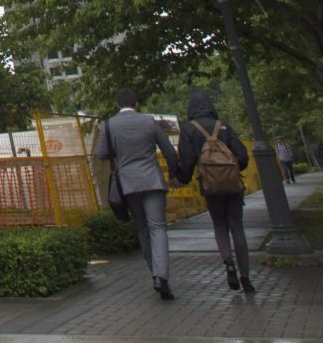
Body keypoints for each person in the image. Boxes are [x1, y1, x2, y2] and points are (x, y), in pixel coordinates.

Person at [97, 89, 182, 299]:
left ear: (117, 104)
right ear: (137, 103)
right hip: (152, 180)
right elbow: (169, 151)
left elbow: (102, 153)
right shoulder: (149, 122)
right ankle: (162, 276)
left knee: (142, 227)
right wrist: (173, 175)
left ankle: (154, 272)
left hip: (128, 184)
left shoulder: (108, 125)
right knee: (158, 227)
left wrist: (120, 152)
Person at [177, 91, 254, 294]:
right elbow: (243, 156)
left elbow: (186, 161)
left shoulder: (188, 130)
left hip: (210, 186)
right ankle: (246, 277)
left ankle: (228, 263)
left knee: (219, 225)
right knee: (237, 227)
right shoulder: (224, 126)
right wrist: (232, 171)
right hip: (232, 184)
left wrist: (181, 179)